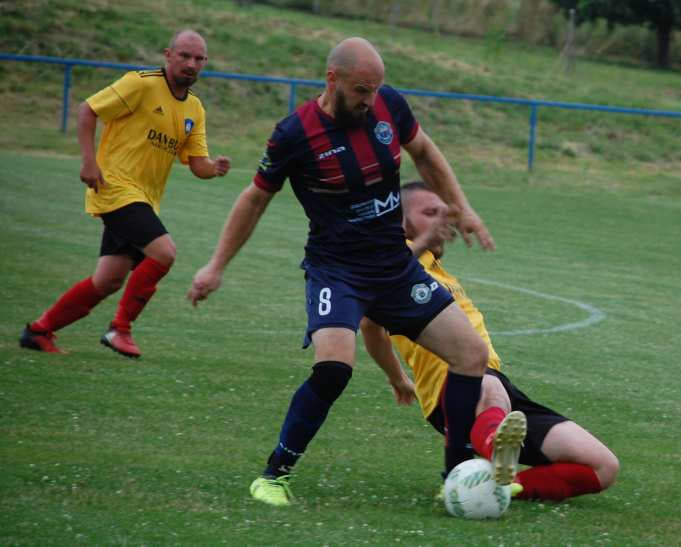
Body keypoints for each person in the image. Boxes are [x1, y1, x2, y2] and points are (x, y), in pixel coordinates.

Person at [187, 37, 515, 507]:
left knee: (470, 354)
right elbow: (255, 198)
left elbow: (425, 152)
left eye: (375, 89)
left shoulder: (388, 108)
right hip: (336, 272)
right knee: (334, 369)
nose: (369, 100)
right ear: (332, 79)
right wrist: (216, 266)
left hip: (394, 268)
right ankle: (274, 475)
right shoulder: (293, 134)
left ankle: (456, 474)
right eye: (361, 90)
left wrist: (464, 209)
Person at [360, 181, 620, 501]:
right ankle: (496, 455)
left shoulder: (439, 272)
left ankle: (502, 487)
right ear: (402, 222)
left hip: (497, 389)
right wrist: (397, 377)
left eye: (446, 213)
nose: (444, 220)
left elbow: (371, 327)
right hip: (455, 388)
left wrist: (398, 379)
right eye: (430, 212)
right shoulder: (399, 268)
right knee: (486, 383)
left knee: (603, 466)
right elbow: (369, 320)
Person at [19, 29, 231, 359]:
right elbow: (87, 110)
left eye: (199, 58)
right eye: (185, 56)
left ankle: (38, 331)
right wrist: (89, 162)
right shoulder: (141, 83)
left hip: (143, 199)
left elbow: (196, 164)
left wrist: (214, 168)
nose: (192, 63)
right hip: (114, 187)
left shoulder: (195, 109)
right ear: (168, 55)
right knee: (164, 253)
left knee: (108, 280)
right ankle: (120, 329)